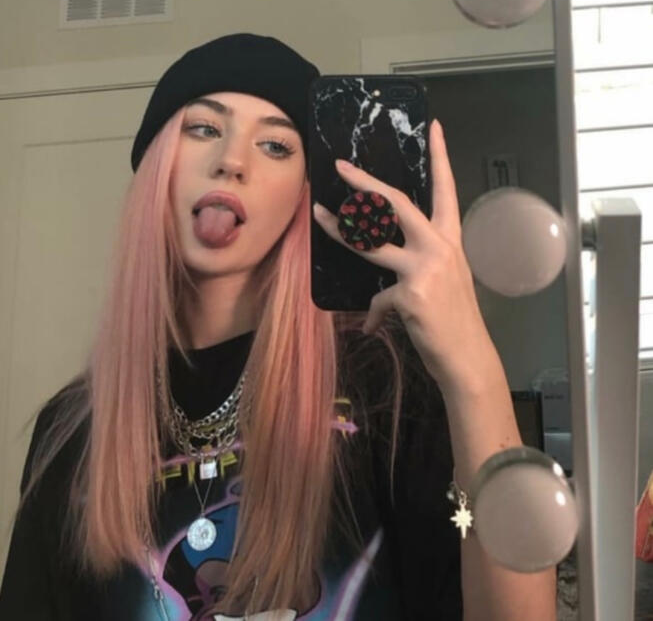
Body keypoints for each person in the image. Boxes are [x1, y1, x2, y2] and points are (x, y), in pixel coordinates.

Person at [0, 33, 556, 620]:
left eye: (275, 145)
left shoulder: (385, 380)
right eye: (204, 128)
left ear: (303, 193)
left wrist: (471, 365)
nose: (231, 161)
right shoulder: (70, 431)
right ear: (156, 169)